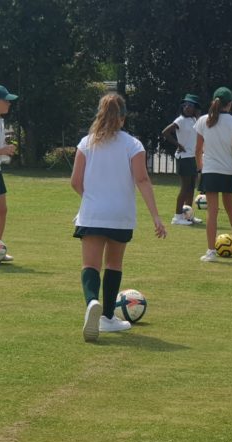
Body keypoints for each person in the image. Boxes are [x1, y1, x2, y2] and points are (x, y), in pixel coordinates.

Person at [71, 93, 167, 342]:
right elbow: (142, 179)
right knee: (113, 264)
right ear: (123, 118)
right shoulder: (133, 145)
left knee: (90, 266)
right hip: (120, 215)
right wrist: (156, 216)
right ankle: (107, 317)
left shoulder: (86, 143)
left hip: (92, 214)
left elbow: (75, 182)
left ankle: (92, 301)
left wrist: (91, 200)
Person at [195, 87, 232, 262]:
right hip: (228, 170)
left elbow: (197, 149)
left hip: (210, 171)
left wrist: (200, 168)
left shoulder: (202, 120)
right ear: (230, 104)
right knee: (230, 207)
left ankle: (211, 252)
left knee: (212, 211)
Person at [162, 94, 202, 225]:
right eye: (185, 105)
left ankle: (188, 216)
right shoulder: (180, 120)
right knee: (184, 188)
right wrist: (178, 144)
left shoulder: (195, 120)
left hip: (192, 157)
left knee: (191, 187)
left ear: (195, 108)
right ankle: (177, 217)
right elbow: (165, 132)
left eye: (190, 105)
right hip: (183, 158)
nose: (186, 107)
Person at [0, 85, 18, 263]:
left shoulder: (1, 121)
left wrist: (4, 151)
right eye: (5, 100)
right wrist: (2, 150)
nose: (9, 103)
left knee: (2, 210)